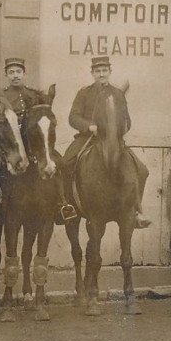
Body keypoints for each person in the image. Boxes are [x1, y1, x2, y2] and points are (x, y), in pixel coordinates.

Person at [0, 57, 76, 226]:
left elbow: (42, 116)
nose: (15, 76)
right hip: (9, 144)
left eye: (18, 72)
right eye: (11, 73)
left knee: (59, 162)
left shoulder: (34, 95)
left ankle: (62, 204)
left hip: (33, 143)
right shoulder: (0, 96)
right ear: (6, 75)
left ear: (24, 74)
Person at [61, 55, 151, 228]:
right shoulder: (84, 93)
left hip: (113, 141)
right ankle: (68, 207)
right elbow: (73, 118)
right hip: (87, 139)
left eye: (104, 71)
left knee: (142, 170)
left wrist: (119, 129)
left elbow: (127, 121)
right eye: (97, 71)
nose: (101, 74)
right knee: (66, 163)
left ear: (110, 72)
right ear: (92, 73)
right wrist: (89, 126)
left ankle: (136, 210)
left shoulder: (117, 94)